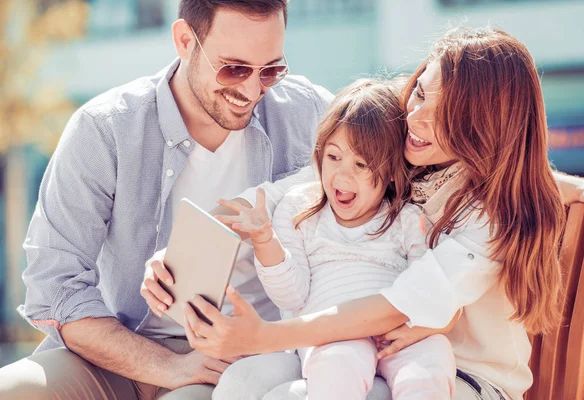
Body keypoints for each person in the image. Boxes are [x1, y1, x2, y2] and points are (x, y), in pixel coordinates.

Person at [158, 27, 584, 400]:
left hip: (464, 378)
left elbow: (397, 306)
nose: (417, 117)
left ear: (485, 125)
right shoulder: (401, 155)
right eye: (421, 92)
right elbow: (275, 197)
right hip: (370, 352)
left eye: (445, 111)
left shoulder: (491, 214)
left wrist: (266, 337)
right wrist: (178, 256)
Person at [0, 1, 334, 399]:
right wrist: (168, 366)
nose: (251, 89)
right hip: (121, 347)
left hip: (248, 358)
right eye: (234, 68)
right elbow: (55, 286)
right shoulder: (105, 129)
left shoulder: (311, 113)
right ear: (184, 41)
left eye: (272, 70)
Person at [213, 78, 457, 400]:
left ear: (390, 174)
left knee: (432, 360)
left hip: (396, 334)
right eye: (333, 157)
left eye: (361, 164)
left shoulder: (408, 218)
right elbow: (292, 296)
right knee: (337, 365)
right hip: (332, 336)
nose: (343, 175)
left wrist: (417, 330)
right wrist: (264, 241)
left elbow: (427, 288)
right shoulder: (299, 211)